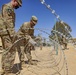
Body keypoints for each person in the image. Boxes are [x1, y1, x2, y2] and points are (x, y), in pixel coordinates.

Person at [0, 0, 22, 74]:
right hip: (7, 33)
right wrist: (13, 35)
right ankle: (8, 71)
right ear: (14, 1)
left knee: (6, 51)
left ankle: (3, 69)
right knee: (11, 51)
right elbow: (8, 22)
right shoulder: (8, 7)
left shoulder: (8, 8)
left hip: (4, 32)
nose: (17, 6)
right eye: (17, 4)